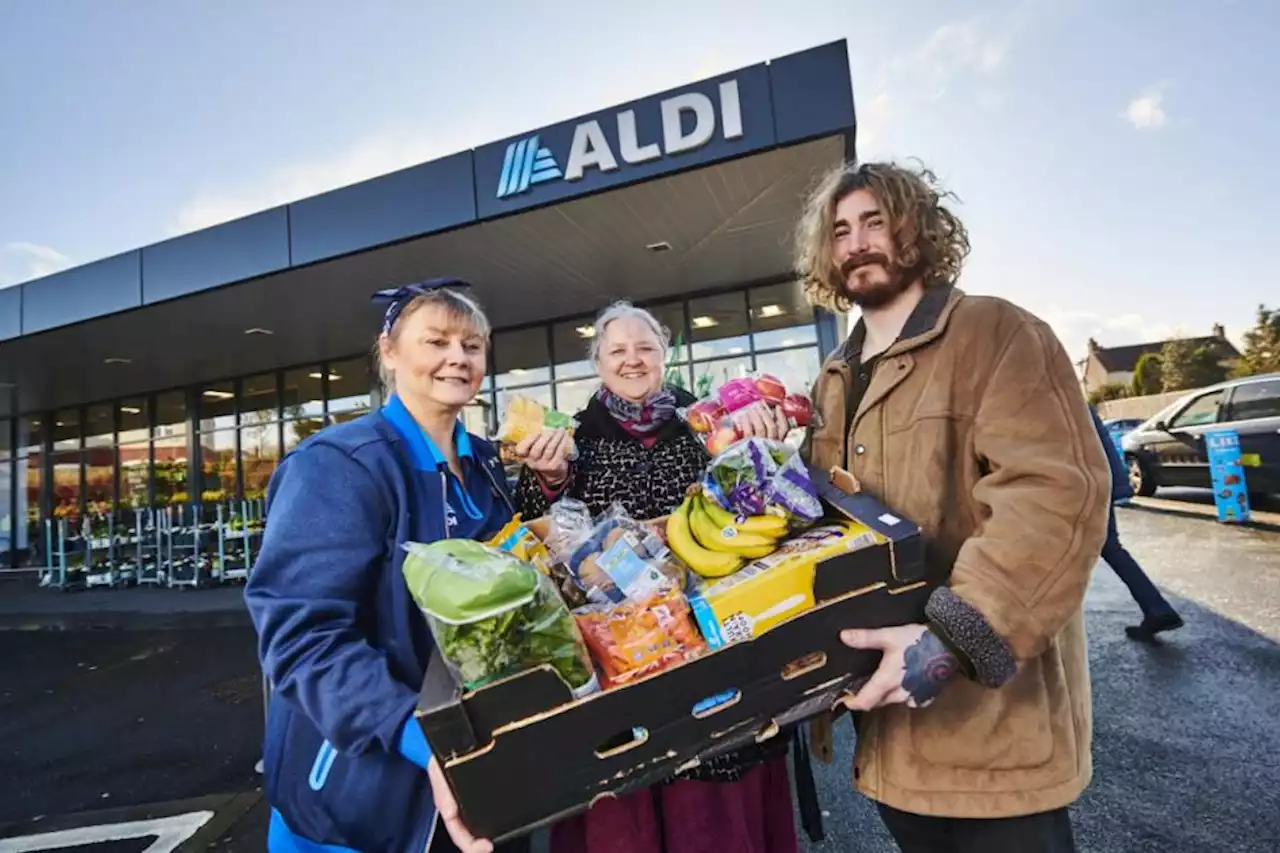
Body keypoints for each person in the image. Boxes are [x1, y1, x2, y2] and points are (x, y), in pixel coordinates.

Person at [795, 161, 1110, 853]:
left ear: (919, 228)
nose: (856, 242)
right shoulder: (832, 377)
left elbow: (1056, 497)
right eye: (841, 230)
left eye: (875, 221)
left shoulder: (995, 332)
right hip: (888, 739)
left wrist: (949, 644)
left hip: (993, 740)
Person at [244, 279, 522, 853]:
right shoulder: (339, 465)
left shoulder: (488, 467)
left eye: (472, 346)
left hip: (476, 771)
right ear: (390, 352)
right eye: (436, 341)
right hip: (362, 799)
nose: (457, 358)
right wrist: (422, 739)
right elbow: (303, 638)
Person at [512, 301, 800, 853]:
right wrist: (548, 479)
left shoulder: (707, 423)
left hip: (709, 634)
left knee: (713, 775)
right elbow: (535, 532)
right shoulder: (571, 438)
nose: (632, 360)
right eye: (617, 350)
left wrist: (762, 449)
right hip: (618, 647)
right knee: (625, 786)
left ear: (664, 355)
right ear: (597, 362)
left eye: (645, 347)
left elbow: (760, 505)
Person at [1087, 404, 1185, 641]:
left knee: (1060, 553)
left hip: (1082, 486)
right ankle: (1157, 608)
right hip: (1098, 484)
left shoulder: (1057, 395)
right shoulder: (1074, 397)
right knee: (1111, 548)